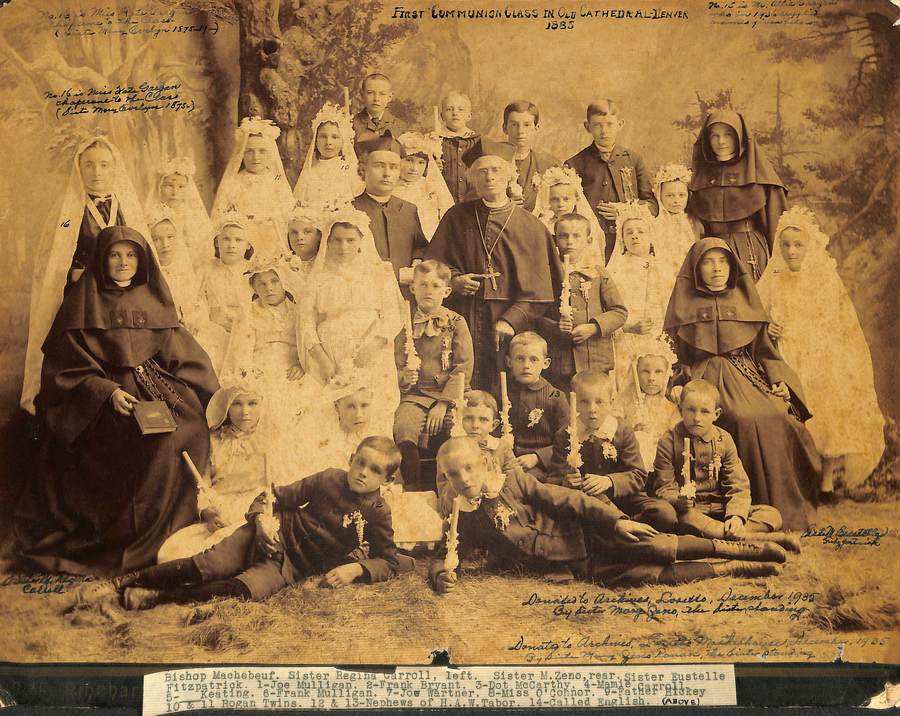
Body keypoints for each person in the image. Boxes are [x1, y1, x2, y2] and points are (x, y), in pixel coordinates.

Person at [15, 226, 220, 576]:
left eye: (130, 255)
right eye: (114, 255)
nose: (123, 262)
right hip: (101, 398)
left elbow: (182, 354)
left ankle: (170, 532)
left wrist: (215, 399)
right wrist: (105, 392)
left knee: (186, 428)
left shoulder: (153, 300)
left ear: (141, 262)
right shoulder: (82, 301)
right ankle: (127, 536)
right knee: (142, 442)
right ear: (102, 259)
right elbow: (64, 368)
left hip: (156, 388)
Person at [429, 437, 785, 595]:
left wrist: (616, 520)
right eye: (452, 475)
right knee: (647, 575)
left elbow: (569, 499)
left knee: (656, 546)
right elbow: (446, 555)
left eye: (468, 469)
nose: (463, 480)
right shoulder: (465, 513)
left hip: (587, 535)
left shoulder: (513, 482)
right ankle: (732, 569)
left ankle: (736, 551)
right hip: (577, 566)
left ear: (484, 463)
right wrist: (441, 575)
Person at [113, 436, 404, 609]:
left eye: (375, 470)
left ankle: (156, 597)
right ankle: (124, 581)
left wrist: (356, 568)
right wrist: (262, 520)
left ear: (388, 480)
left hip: (290, 566)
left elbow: (389, 560)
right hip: (266, 533)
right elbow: (274, 497)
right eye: (360, 463)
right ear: (351, 459)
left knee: (240, 591)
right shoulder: (328, 478)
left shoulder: (378, 512)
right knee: (207, 566)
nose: (362, 473)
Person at [663, 237, 821, 530]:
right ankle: (737, 505)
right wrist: (678, 381)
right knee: (739, 418)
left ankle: (781, 507)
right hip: (702, 378)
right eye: (708, 262)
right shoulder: (683, 305)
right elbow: (673, 355)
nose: (716, 269)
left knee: (777, 416)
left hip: (744, 372)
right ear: (696, 268)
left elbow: (765, 352)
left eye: (722, 261)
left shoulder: (744, 299)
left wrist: (780, 381)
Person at [757, 207, 885, 496]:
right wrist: (768, 327)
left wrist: (820, 349)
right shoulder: (773, 278)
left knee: (826, 409)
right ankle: (796, 480)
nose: (791, 251)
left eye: (798, 245)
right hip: (785, 355)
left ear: (810, 246)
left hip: (819, 354)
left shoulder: (824, 278)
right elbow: (756, 313)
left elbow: (838, 323)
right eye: (786, 245)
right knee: (788, 413)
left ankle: (826, 483)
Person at [22, 135, 150, 414]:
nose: (97, 172)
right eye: (89, 165)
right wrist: (73, 272)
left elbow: (141, 252)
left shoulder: (127, 206)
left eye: (104, 165)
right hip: (83, 297)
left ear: (114, 169)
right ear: (79, 168)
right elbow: (54, 256)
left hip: (123, 294)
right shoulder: (68, 210)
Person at [426, 154, 563, 391]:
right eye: (481, 171)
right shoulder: (456, 216)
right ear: (472, 179)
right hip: (464, 314)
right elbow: (433, 263)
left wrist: (512, 320)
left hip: (512, 320)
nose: (489, 177)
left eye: (496, 170)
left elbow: (542, 290)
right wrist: (455, 280)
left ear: (509, 175)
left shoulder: (531, 226)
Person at [652, 379, 801, 551]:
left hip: (722, 508)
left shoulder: (724, 439)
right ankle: (772, 539)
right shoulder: (668, 441)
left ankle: (729, 534)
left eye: (705, 412)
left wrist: (736, 517)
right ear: (680, 410)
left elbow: (738, 484)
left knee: (772, 515)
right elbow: (664, 487)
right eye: (690, 410)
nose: (697, 418)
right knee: (685, 520)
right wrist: (678, 500)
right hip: (691, 511)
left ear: (716, 414)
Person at [297, 207, 406, 436]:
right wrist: (322, 359)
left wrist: (373, 346)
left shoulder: (380, 272)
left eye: (350, 240)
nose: (343, 247)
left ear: (361, 241)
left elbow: (394, 314)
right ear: (327, 241)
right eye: (336, 240)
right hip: (330, 352)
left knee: (372, 410)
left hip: (371, 351)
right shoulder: (318, 277)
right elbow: (306, 322)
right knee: (333, 414)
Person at [156, 381, 271, 563]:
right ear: (226, 406)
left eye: (252, 403)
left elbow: (275, 486)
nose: (245, 411)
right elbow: (204, 483)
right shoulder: (214, 441)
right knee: (171, 553)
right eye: (237, 403)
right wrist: (207, 511)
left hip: (253, 510)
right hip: (221, 508)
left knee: (230, 547)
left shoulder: (270, 440)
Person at [548, 370, 676, 533]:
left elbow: (638, 475)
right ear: (573, 402)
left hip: (625, 499)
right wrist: (564, 483)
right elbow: (552, 479)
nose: (592, 409)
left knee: (665, 514)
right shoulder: (565, 434)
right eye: (584, 402)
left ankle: (624, 525)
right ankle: (619, 529)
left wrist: (609, 481)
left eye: (599, 402)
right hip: (588, 504)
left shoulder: (621, 430)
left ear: (611, 401)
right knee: (569, 521)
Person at [393, 260, 474, 490]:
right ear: (412, 288)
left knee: (456, 427)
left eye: (436, 286)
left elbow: (463, 367)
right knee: (404, 425)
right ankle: (413, 486)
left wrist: (443, 403)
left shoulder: (456, 323)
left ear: (447, 291)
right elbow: (395, 360)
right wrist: (402, 376)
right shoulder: (405, 323)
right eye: (423, 285)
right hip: (416, 396)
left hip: (449, 396)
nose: (429, 291)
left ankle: (450, 488)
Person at [688, 110, 788, 281]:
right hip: (713, 253)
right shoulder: (698, 179)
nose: (721, 141)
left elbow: (777, 227)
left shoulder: (760, 176)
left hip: (750, 250)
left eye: (728, 135)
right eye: (715, 136)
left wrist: (779, 263)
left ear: (739, 137)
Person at [537, 212, 627, 392]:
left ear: (588, 240)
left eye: (576, 236)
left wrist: (593, 327)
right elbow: (535, 314)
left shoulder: (599, 274)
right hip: (560, 363)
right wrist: (555, 326)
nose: (570, 242)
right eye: (563, 236)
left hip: (594, 360)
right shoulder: (547, 275)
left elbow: (619, 312)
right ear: (555, 240)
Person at [565, 99, 657, 262]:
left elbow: (652, 205)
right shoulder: (575, 164)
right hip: (591, 241)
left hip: (628, 243)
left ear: (620, 124)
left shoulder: (633, 160)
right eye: (597, 125)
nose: (604, 131)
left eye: (609, 124)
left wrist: (625, 211)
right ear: (587, 127)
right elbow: (568, 210)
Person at [211, 116, 295, 263]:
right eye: (249, 151)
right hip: (243, 243)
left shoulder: (276, 180)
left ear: (270, 153)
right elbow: (221, 216)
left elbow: (289, 213)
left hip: (273, 239)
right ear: (242, 154)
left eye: (262, 151)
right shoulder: (233, 182)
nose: (256, 157)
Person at [606, 204, 670, 388]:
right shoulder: (615, 271)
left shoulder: (663, 268)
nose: (635, 235)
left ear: (651, 237)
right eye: (629, 232)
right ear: (622, 239)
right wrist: (627, 328)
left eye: (641, 231)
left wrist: (658, 333)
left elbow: (667, 305)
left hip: (655, 338)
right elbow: (608, 309)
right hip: (624, 339)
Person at [352, 144, 429, 296]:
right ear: (363, 170)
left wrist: (417, 263)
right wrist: (396, 275)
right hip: (363, 295)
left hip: (403, 296)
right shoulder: (349, 209)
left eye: (393, 167)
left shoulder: (409, 209)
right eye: (379, 166)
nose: (387, 174)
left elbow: (420, 247)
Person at [463, 100, 559, 212]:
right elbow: (471, 199)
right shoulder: (487, 161)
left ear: (536, 128)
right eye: (514, 125)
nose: (520, 131)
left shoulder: (549, 166)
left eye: (527, 125)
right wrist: (501, 204)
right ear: (505, 128)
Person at [503, 332, 570, 482]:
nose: (526, 365)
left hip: (543, 467)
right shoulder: (503, 393)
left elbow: (567, 440)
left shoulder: (555, 397)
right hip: (507, 461)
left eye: (533, 359)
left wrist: (537, 457)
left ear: (545, 363)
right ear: (509, 362)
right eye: (520, 359)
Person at [197, 211, 254, 371]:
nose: (231, 245)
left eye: (238, 240)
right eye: (226, 239)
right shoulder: (206, 270)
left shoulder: (253, 271)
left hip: (247, 331)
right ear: (217, 242)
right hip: (214, 330)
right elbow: (198, 302)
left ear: (248, 244)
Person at [617, 345, 681, 470]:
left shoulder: (670, 403)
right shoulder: (625, 400)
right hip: (631, 458)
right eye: (645, 372)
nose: (651, 378)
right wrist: (631, 431)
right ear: (636, 372)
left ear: (666, 373)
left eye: (658, 372)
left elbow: (677, 433)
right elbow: (615, 427)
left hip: (662, 460)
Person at [293, 101, 364, 211]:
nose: (328, 142)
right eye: (323, 136)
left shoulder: (350, 169)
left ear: (343, 141)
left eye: (334, 137)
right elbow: (299, 207)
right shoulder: (309, 173)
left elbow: (360, 203)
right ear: (315, 141)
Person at [145, 155, 213, 268]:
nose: (174, 192)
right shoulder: (153, 215)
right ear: (159, 187)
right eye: (169, 186)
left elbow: (202, 246)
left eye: (181, 187)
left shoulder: (193, 215)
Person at [532, 166, 605, 265]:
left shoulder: (584, 223)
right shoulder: (544, 224)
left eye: (566, 199)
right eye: (555, 199)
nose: (561, 204)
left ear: (576, 199)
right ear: (547, 200)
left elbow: (592, 255)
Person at [394, 131, 454, 241]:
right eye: (409, 160)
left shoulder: (432, 187)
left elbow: (447, 218)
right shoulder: (389, 188)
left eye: (421, 163)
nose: (414, 168)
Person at [650, 163, 703, 278]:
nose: (676, 200)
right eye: (670, 195)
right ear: (660, 196)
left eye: (681, 195)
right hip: (664, 272)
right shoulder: (655, 223)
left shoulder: (693, 222)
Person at [435, 91, 480, 204]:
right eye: (449, 109)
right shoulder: (434, 141)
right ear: (442, 116)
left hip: (473, 201)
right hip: (442, 200)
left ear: (469, 116)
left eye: (461, 109)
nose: (455, 113)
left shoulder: (478, 141)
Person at [352, 73, 403, 157]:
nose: (376, 98)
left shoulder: (399, 126)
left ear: (390, 97)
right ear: (362, 95)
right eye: (370, 93)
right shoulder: (351, 124)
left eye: (382, 94)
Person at [282, 205, 323, 296]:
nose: (299, 237)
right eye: (294, 233)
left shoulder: (326, 265)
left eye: (307, 232)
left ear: (319, 236)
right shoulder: (282, 267)